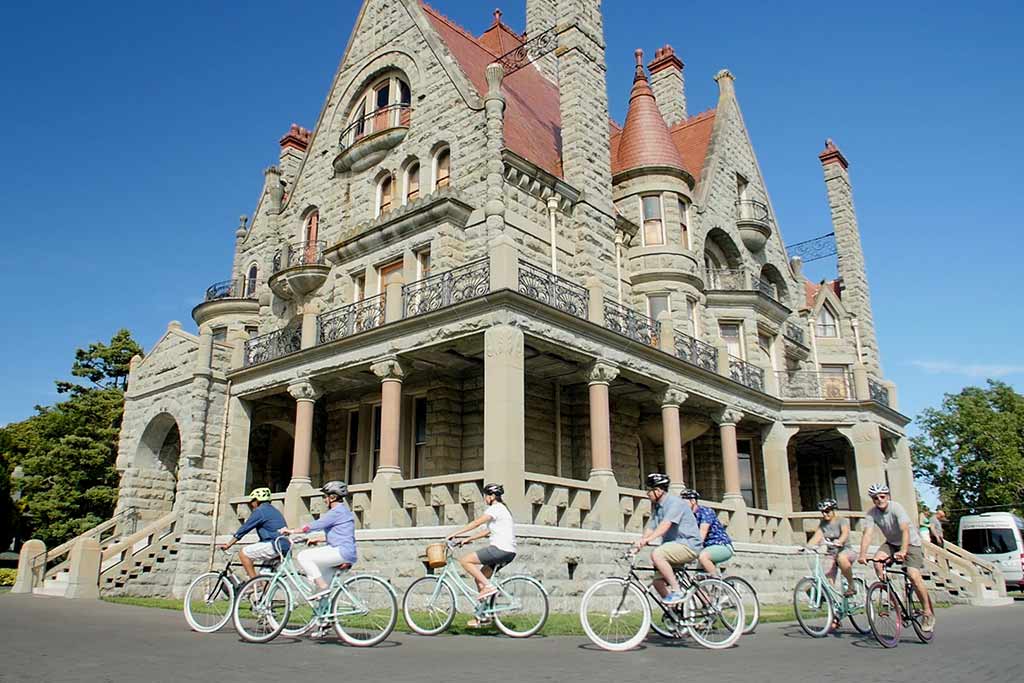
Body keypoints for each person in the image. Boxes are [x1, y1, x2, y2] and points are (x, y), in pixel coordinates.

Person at [858, 483, 935, 632]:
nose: (879, 500)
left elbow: (905, 530)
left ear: (888, 496)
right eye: (875, 498)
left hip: (911, 543)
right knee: (877, 562)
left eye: (882, 496)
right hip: (892, 543)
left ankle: (928, 612)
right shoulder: (871, 513)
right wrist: (862, 554)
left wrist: (904, 550)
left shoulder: (896, 507)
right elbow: (867, 534)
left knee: (913, 574)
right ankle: (894, 595)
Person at [447, 483, 516, 627]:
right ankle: (484, 616)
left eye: (485, 496)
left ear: (491, 497)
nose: (484, 498)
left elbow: (477, 522)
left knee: (465, 561)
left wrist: (455, 533)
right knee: (481, 578)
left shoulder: (496, 508)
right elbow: (486, 531)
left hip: (499, 549)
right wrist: (467, 539)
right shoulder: (502, 510)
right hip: (508, 552)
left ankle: (489, 587)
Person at [632, 473, 703, 605]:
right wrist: (638, 545)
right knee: (657, 582)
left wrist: (648, 540)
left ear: (658, 491)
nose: (647, 493)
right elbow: (651, 528)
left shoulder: (675, 503)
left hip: (688, 545)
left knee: (657, 554)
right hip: (674, 546)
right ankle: (676, 614)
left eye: (649, 490)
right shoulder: (658, 508)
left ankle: (677, 591)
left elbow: (665, 525)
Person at [280, 480, 357, 600]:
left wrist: (292, 531)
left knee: (304, 556)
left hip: (340, 551)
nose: (324, 500)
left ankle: (323, 586)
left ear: (333, 497)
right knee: (320, 589)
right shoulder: (344, 512)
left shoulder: (336, 512)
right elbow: (340, 534)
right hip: (345, 551)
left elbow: (315, 525)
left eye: (325, 497)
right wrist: (317, 539)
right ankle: (325, 616)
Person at [220, 487, 289, 579]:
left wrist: (228, 545)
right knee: (264, 575)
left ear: (257, 500)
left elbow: (244, 529)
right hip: (284, 546)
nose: (251, 504)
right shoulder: (274, 510)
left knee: (243, 554)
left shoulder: (260, 511)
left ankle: (253, 583)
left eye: (252, 501)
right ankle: (263, 590)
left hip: (274, 544)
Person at [806, 498, 857, 595]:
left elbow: (845, 533)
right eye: (823, 512)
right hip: (832, 553)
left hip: (845, 550)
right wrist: (806, 547)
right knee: (827, 577)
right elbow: (816, 537)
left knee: (841, 558)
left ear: (833, 510)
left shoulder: (841, 521)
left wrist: (840, 541)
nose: (825, 514)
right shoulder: (823, 524)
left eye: (827, 511)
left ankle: (851, 585)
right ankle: (832, 604)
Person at [679, 489, 733, 576]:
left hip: (721, 546)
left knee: (703, 557)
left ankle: (717, 582)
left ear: (693, 501)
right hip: (704, 549)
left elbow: (701, 535)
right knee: (698, 579)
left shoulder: (705, 512)